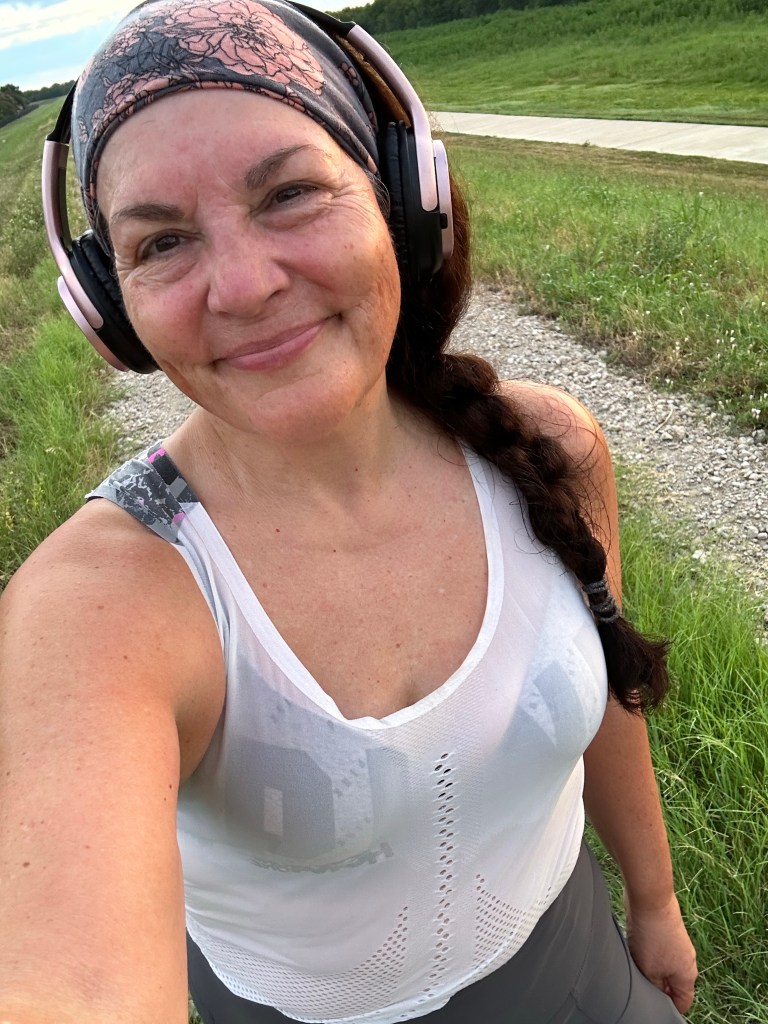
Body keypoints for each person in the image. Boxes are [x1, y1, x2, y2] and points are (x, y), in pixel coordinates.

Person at [0, 1, 698, 1021]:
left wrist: (657, 897)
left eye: (289, 193)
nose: (244, 286)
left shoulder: (551, 452)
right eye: (162, 243)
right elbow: (68, 978)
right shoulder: (99, 606)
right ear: (112, 308)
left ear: (402, 201)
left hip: (579, 969)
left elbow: (606, 704)